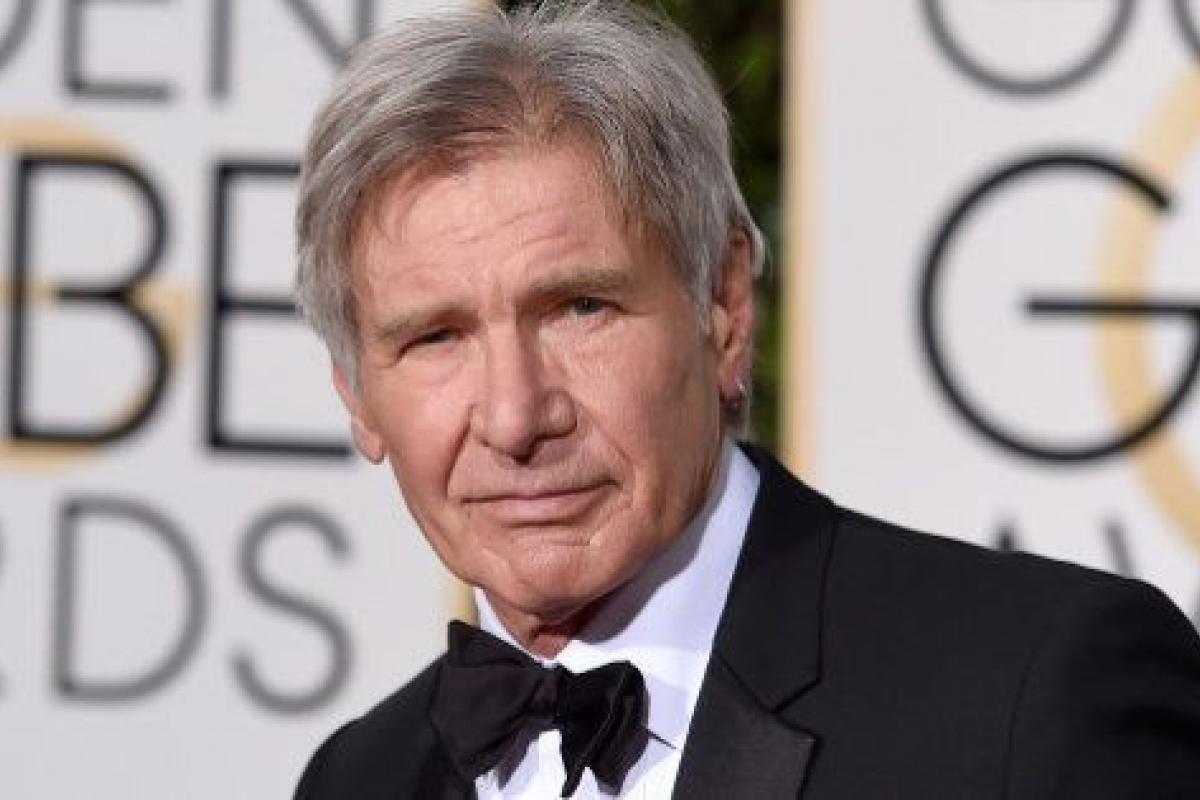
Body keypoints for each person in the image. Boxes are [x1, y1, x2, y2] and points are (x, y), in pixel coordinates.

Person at [291, 2, 1200, 798]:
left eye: (580, 307)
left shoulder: (1034, 694)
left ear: (724, 306)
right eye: (436, 338)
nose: (516, 418)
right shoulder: (360, 777)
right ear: (355, 393)